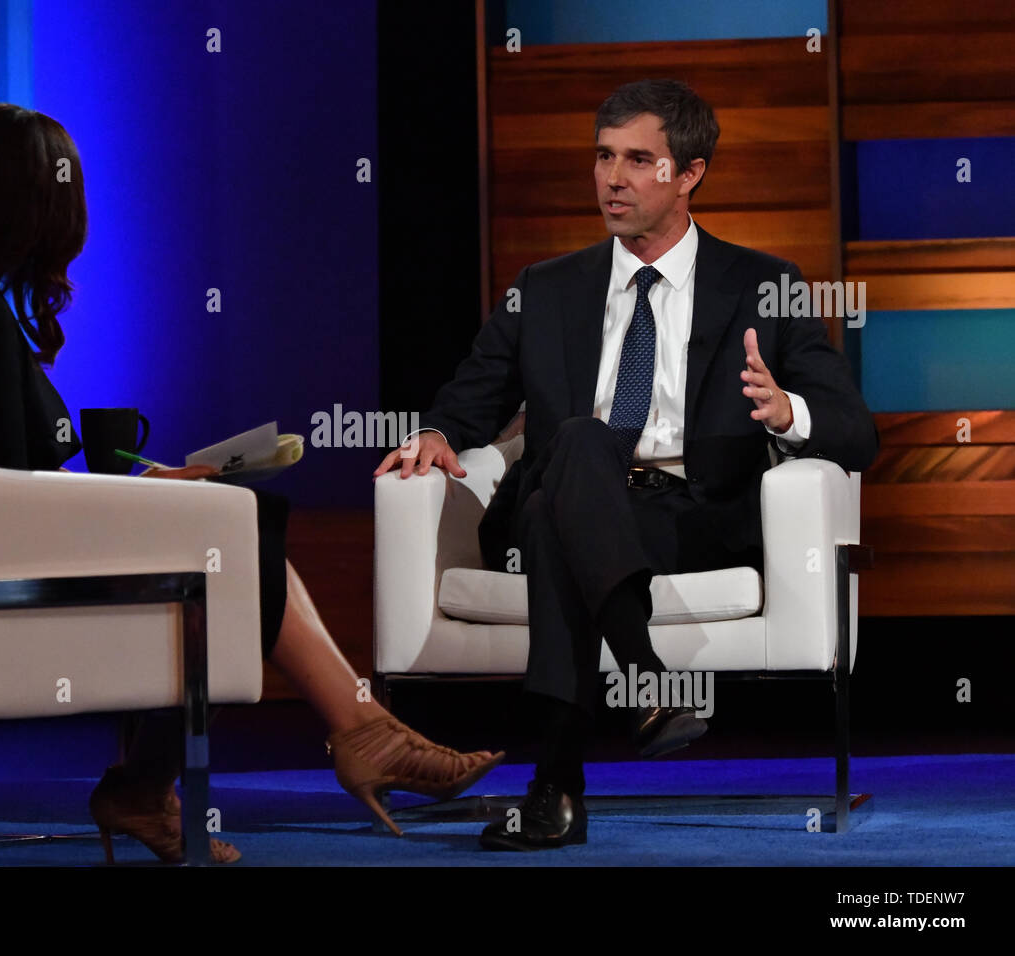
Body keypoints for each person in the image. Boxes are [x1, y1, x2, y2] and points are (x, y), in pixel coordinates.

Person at [0, 103, 502, 864]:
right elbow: (7, 488)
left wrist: (148, 483)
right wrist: (148, 500)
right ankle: (326, 740)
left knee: (236, 528)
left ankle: (341, 735)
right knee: (236, 536)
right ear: (26, 205)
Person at [374, 79, 879, 851]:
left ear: (691, 174)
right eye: (604, 157)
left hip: (690, 516)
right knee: (577, 447)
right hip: (575, 484)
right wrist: (437, 433)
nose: (613, 178)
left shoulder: (761, 284)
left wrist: (789, 413)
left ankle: (557, 788)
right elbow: (469, 397)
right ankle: (644, 674)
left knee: (553, 515)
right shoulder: (544, 289)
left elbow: (856, 433)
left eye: (640, 160)